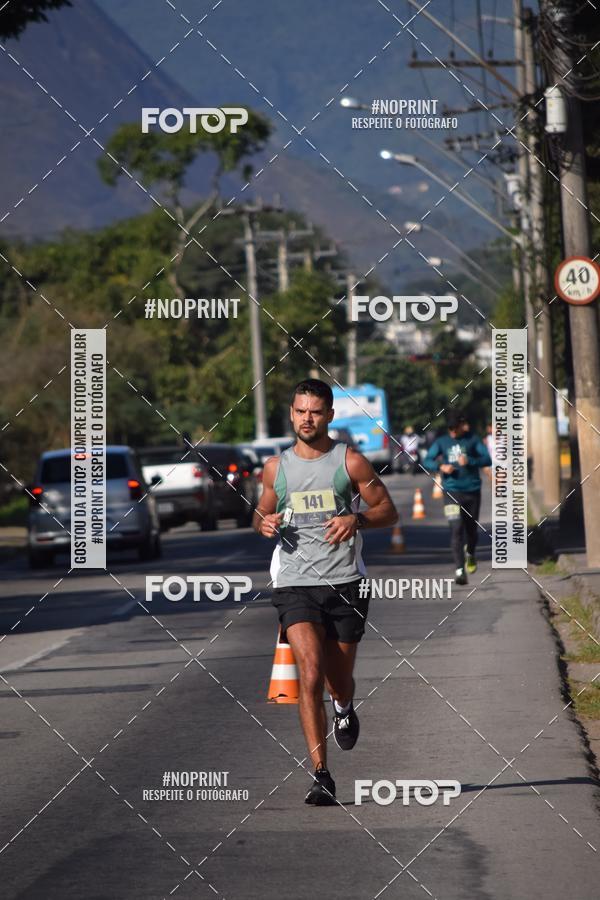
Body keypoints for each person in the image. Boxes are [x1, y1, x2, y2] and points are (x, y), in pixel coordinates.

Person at [254, 378, 398, 806]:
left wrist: (358, 520)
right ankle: (321, 774)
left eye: (315, 411)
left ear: (329, 416)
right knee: (310, 674)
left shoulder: (349, 462)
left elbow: (388, 511)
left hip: (346, 582)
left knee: (338, 680)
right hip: (295, 583)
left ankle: (345, 705)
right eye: (300, 410)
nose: (307, 418)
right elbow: (262, 513)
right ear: (292, 414)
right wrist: (263, 524)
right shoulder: (275, 468)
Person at [423, 410, 491, 585]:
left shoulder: (473, 440)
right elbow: (427, 460)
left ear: (462, 425)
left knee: (471, 531)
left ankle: (471, 553)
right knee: (456, 528)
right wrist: (441, 466)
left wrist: (470, 462)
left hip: (472, 491)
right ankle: (459, 569)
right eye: (450, 428)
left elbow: (487, 459)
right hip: (451, 492)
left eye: (456, 428)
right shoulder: (442, 442)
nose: (453, 432)